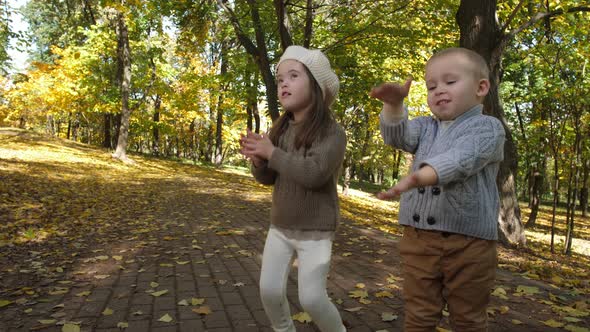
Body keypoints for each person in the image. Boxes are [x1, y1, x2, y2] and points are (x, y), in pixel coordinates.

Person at [369, 47, 505, 331]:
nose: (438, 90)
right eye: (432, 86)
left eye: (450, 82)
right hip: (418, 241)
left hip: (470, 246)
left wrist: (420, 177)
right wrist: (393, 107)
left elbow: (461, 159)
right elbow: (397, 137)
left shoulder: (488, 129)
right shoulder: (425, 126)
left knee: (468, 319)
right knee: (419, 315)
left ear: (481, 87)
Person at [240, 45, 347, 332]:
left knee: (311, 299)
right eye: (279, 79)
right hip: (280, 228)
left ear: (317, 86)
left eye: (293, 75)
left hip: (316, 232)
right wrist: (259, 161)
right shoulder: (280, 129)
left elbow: (314, 174)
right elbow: (268, 179)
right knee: (270, 291)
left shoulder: (332, 133)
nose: (283, 83)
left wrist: (272, 153)